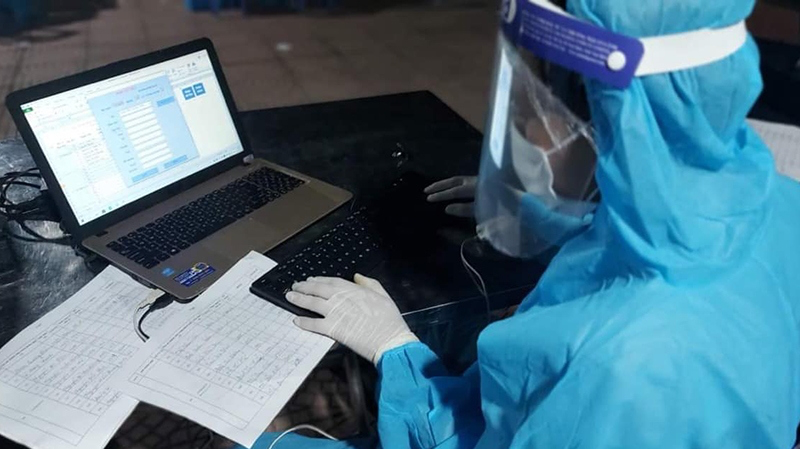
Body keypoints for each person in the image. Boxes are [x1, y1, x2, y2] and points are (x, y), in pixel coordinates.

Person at [241, 0, 800, 447]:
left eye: (539, 99)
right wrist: (552, 219)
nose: (532, 126)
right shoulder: (779, 202)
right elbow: (679, 246)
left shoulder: (610, 367)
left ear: (611, 113)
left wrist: (396, 350)